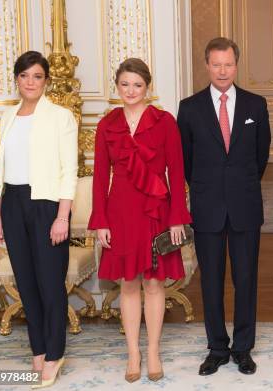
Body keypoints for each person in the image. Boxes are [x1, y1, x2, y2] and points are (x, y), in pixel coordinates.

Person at [88, 58, 191, 383]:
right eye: (124, 84)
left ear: (148, 87)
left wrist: (177, 218)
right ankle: (133, 351)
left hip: (157, 211)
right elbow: (100, 176)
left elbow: (176, 173)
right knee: (128, 283)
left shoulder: (164, 122)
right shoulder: (107, 124)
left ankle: (155, 350)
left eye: (137, 85)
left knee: (154, 283)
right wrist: (100, 221)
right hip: (119, 212)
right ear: (116, 87)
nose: (130, 91)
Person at [177, 37, 271, 376]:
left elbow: (261, 156)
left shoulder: (255, 105)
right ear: (206, 65)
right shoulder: (189, 108)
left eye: (228, 64)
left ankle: (243, 348)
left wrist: (238, 185)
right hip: (207, 207)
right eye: (216, 64)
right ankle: (217, 347)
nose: (222, 70)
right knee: (211, 281)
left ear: (236, 65)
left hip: (245, 205)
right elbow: (185, 161)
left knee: (246, 279)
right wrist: (208, 188)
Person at [0, 50, 78, 389]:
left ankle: (54, 354)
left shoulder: (61, 117)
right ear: (17, 79)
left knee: (49, 284)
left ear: (45, 81)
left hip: (45, 204)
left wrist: (62, 217)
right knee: (26, 283)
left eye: (37, 76)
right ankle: (37, 349)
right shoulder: (8, 116)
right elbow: (2, 169)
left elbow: (69, 171)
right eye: (25, 76)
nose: (30, 82)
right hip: (12, 203)